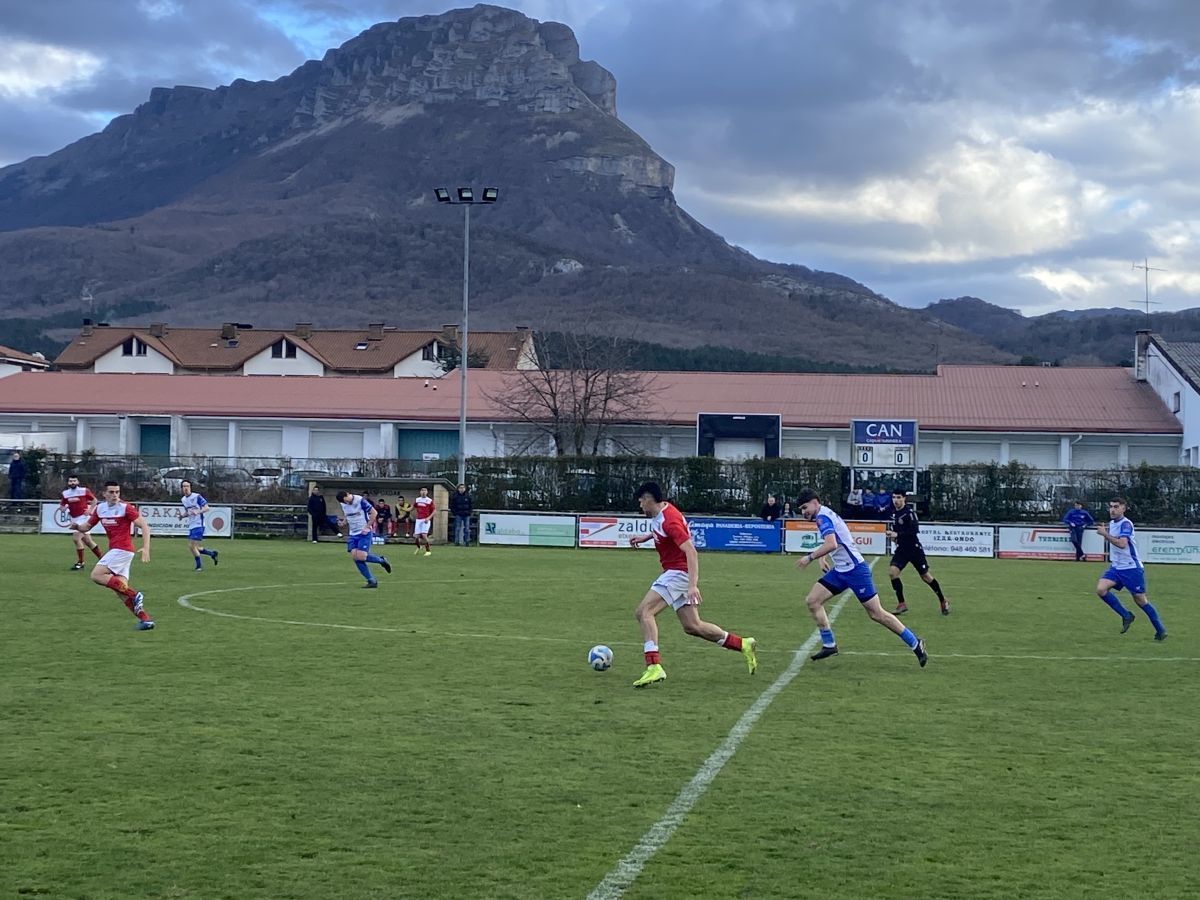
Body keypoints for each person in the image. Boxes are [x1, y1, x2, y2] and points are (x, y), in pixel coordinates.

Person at [627, 481, 758, 688]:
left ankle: (653, 666)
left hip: (678, 573)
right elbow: (664, 531)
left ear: (649, 499)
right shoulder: (663, 512)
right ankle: (742, 644)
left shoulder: (669, 520)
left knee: (644, 612)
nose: (640, 505)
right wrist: (646, 537)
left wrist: (692, 586)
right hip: (676, 573)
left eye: (641, 501)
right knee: (693, 626)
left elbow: (691, 551)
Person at [794, 488, 928, 666]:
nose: (803, 513)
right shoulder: (823, 513)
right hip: (841, 571)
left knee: (876, 613)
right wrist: (822, 558)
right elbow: (835, 540)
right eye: (801, 510)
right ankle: (829, 645)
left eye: (805, 508)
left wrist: (810, 557)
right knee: (813, 601)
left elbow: (831, 543)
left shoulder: (822, 517)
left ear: (815, 502)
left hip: (855, 571)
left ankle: (915, 642)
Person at [71, 480, 155, 630]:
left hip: (122, 549)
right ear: (104, 494)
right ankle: (145, 620)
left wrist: (146, 547)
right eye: (111, 492)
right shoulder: (100, 508)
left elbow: (144, 526)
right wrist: (77, 526)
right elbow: (87, 526)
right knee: (120, 590)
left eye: (117, 492)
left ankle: (134, 595)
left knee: (96, 575)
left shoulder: (125, 507)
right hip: (118, 551)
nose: (115, 495)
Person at [1093, 498, 1167, 640]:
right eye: (1111, 507)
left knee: (1140, 600)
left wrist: (1105, 534)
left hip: (1131, 568)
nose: (1112, 510)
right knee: (1101, 589)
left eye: (1116, 507)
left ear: (1123, 509)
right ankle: (1126, 615)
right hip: (1116, 567)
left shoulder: (1126, 524)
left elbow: (1122, 544)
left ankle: (1160, 630)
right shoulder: (1112, 523)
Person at [886, 488, 950, 616]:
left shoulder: (909, 513)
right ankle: (901, 604)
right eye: (894, 497)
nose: (896, 500)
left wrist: (897, 534)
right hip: (902, 549)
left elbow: (914, 531)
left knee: (925, 576)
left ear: (904, 498)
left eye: (898, 497)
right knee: (893, 573)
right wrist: (894, 537)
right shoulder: (893, 513)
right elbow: (898, 532)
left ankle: (943, 600)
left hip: (914, 549)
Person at [334, 490, 392, 588]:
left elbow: (374, 513)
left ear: (348, 494)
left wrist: (367, 526)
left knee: (361, 556)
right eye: (344, 502)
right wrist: (343, 522)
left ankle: (381, 560)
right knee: (355, 557)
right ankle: (371, 581)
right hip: (353, 533)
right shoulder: (343, 503)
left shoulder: (360, 500)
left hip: (364, 532)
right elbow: (347, 514)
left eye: (346, 500)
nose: (346, 503)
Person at [60, 474, 101, 570]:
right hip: (74, 518)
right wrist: (63, 508)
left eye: (74, 481)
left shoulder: (84, 491)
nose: (72, 483)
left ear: (78, 482)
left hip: (83, 517)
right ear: (68, 482)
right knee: (88, 541)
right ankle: (103, 559)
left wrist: (90, 509)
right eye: (70, 481)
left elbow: (94, 500)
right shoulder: (65, 493)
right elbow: (62, 506)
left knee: (76, 538)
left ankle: (81, 562)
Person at [181, 480, 219, 571]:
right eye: (184, 486)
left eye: (187, 486)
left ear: (190, 487)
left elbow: (207, 508)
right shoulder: (183, 500)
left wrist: (198, 511)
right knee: (196, 547)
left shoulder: (196, 496)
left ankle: (199, 566)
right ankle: (212, 554)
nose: (186, 488)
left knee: (191, 546)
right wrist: (182, 516)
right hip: (191, 525)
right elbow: (188, 512)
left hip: (199, 525)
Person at [412, 486, 435, 556]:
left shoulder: (429, 501)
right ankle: (419, 547)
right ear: (420, 492)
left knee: (424, 535)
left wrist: (428, 518)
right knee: (416, 536)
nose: (423, 492)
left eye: (425, 490)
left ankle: (428, 551)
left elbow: (434, 511)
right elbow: (412, 507)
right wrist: (405, 510)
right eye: (422, 490)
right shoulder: (417, 500)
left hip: (425, 520)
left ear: (427, 492)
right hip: (418, 520)